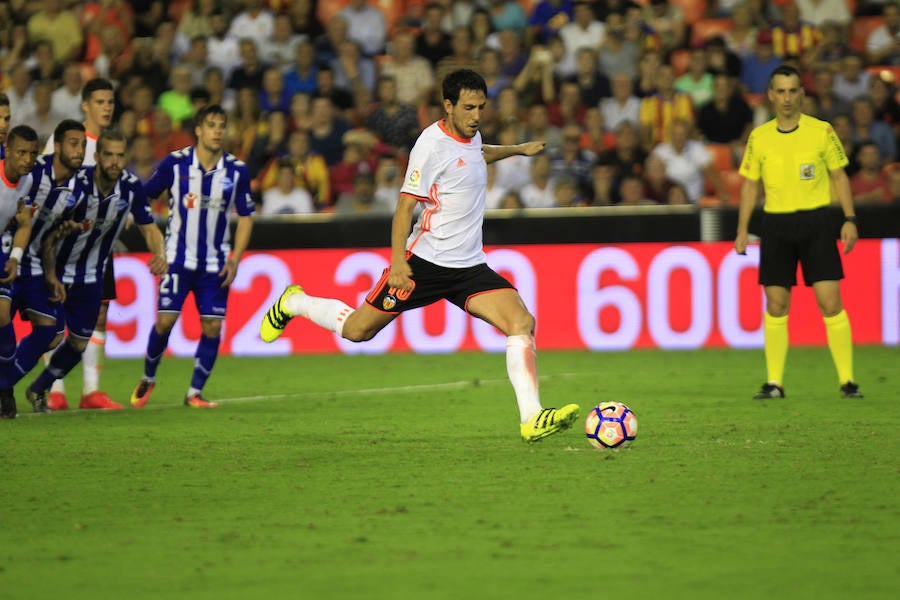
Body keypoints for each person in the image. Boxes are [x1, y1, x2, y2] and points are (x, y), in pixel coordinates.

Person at [259, 69, 579, 442]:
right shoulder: (430, 145)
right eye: (469, 107)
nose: (477, 115)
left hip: (469, 266)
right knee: (358, 330)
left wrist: (517, 150)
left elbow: (477, 154)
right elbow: (404, 206)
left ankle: (532, 418)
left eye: (482, 107)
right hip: (424, 263)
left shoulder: (471, 137)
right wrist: (398, 261)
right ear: (448, 105)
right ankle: (294, 302)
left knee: (521, 322)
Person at [735, 64, 863, 400]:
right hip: (775, 224)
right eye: (781, 91)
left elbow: (839, 177)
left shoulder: (822, 131)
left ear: (802, 94)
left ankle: (848, 382)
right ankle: (774, 383)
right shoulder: (759, 137)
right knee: (776, 305)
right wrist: (742, 229)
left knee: (830, 302)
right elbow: (750, 186)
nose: (787, 98)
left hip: (816, 222)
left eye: (793, 91)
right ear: (771, 95)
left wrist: (850, 218)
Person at [23, 130, 167, 412]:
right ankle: (10, 381)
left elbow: (149, 228)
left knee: (79, 341)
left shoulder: (131, 187)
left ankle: (39, 387)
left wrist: (159, 253)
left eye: (120, 155)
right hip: (58, 269)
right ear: (98, 156)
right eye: (109, 155)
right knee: (50, 334)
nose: (115, 161)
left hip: (91, 275)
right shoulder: (78, 182)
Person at [130, 104, 255, 409]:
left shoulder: (236, 170)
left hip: (214, 264)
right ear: (198, 130)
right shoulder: (175, 164)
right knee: (165, 321)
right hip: (176, 258)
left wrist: (235, 258)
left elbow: (247, 217)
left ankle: (194, 393)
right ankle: (148, 377)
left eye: (221, 126)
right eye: (211, 125)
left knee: (212, 327)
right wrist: (155, 241)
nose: (217, 131)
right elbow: (144, 196)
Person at [42, 78, 117, 411]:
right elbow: (43, 180)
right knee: (54, 312)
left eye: (110, 102)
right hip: (62, 241)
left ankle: (91, 391)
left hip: (99, 242)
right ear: (86, 105)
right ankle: (56, 390)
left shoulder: (112, 146)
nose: (107, 108)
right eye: (100, 102)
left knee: (99, 312)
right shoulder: (67, 139)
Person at [3, 120, 86, 413]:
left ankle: (4, 385)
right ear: (59, 146)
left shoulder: (78, 189)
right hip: (7, 256)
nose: (80, 152)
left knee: (52, 334)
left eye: (83, 146)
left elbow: (50, 235)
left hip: (36, 264)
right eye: (74, 145)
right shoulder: (32, 171)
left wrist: (51, 273)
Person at [0, 125, 39, 418]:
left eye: (32, 154)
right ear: (8, 151)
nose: (27, 159)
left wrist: (15, 256)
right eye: (21, 153)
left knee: (2, 314)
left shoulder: (27, 182)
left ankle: (5, 387)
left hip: (2, 250)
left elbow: (24, 222)